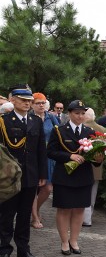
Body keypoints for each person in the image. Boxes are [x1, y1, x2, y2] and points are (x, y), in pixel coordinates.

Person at [47, 100, 103, 256]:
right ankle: (64, 242)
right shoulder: (59, 130)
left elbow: (94, 156)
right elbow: (50, 152)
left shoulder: (89, 132)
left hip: (83, 177)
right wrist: (69, 156)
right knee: (64, 209)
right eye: (77, 113)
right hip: (64, 176)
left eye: (82, 113)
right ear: (70, 114)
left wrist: (99, 160)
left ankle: (74, 240)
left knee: (79, 210)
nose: (80, 116)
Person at [0, 85, 47, 257]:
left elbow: (40, 149)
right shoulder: (4, 120)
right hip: (10, 176)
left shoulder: (36, 121)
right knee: (6, 213)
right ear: (13, 100)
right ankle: (4, 249)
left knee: (25, 213)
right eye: (23, 100)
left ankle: (23, 248)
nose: (27, 104)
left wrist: (42, 173)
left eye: (29, 101)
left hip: (30, 174)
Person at [30, 93, 60, 229]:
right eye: (38, 103)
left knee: (47, 188)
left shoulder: (51, 118)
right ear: (32, 104)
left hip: (48, 158)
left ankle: (36, 210)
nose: (41, 105)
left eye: (43, 103)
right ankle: (35, 217)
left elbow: (59, 134)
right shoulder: (29, 118)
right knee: (32, 189)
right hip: (32, 157)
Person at [82, 108, 105, 227]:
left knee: (81, 192)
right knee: (92, 194)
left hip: (82, 165)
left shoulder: (82, 128)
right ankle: (88, 218)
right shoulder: (102, 129)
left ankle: (80, 218)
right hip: (97, 166)